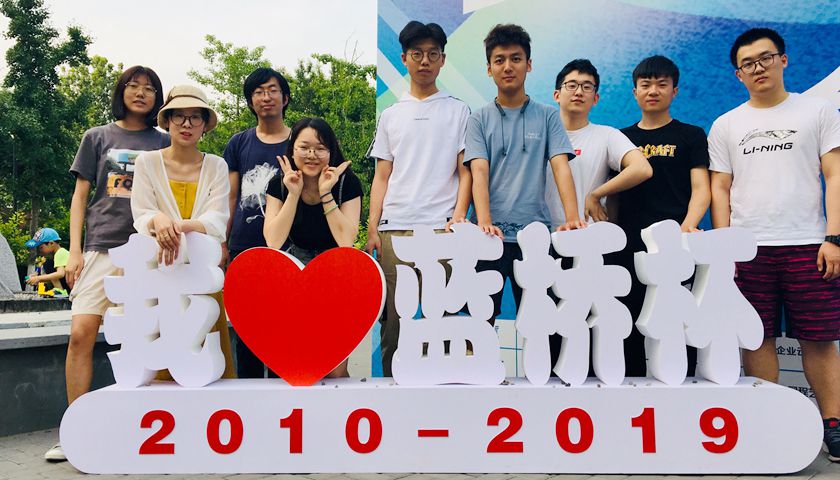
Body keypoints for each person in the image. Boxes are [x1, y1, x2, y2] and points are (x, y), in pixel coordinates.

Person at [708, 27, 840, 461]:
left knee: (819, 339)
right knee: (756, 337)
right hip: (749, 250)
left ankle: (833, 426)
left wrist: (834, 237)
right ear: (738, 74)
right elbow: (720, 188)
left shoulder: (818, 111)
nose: (758, 68)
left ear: (783, 60)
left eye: (765, 58)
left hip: (809, 245)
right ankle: (766, 423)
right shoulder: (726, 124)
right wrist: (726, 246)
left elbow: (835, 174)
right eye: (748, 63)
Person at [47, 66, 169, 462]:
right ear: (121, 92)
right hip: (100, 248)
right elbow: (80, 197)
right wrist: (76, 250)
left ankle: (140, 430)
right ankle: (75, 431)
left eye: (149, 88)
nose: (141, 93)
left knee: (143, 340)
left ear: (157, 98)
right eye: (133, 86)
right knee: (81, 333)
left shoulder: (165, 141)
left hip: (146, 251)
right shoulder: (97, 137)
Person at [365, 20, 471, 377]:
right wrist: (373, 227)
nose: (425, 61)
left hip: (442, 229)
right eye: (417, 54)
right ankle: (394, 390)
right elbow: (382, 176)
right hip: (395, 230)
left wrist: (458, 217)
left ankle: (444, 390)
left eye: (432, 54)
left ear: (442, 60)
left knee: (444, 318)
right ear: (404, 59)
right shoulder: (391, 115)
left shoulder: (458, 110)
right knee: (395, 321)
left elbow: (465, 171)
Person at [465, 23, 581, 327]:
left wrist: (573, 217)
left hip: (535, 238)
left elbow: (561, 166)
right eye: (499, 60)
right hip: (489, 239)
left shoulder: (548, 115)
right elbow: (479, 172)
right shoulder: (478, 118)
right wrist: (484, 221)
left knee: (541, 325)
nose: (508, 66)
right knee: (480, 322)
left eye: (516, 58)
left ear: (528, 64)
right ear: (489, 69)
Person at [130, 85, 236, 381]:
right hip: (162, 271)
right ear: (167, 121)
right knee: (162, 359)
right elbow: (141, 212)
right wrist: (158, 219)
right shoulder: (147, 162)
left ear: (204, 124)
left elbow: (218, 218)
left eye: (195, 117)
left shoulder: (216, 165)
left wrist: (182, 226)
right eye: (179, 116)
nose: (186, 124)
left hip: (201, 273)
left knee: (207, 358)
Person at [614, 55, 710, 377]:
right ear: (635, 92)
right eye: (645, 85)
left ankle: (683, 386)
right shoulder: (621, 139)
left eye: (661, 84)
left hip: (676, 245)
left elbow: (701, 188)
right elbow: (614, 195)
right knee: (631, 320)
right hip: (629, 246)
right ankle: (630, 387)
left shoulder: (691, 135)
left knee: (679, 321)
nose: (653, 91)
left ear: (674, 91)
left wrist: (687, 227)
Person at [264, 117, 362, 377]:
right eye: (304, 147)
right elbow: (273, 240)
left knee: (334, 364)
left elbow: (346, 240)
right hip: (296, 270)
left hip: (335, 270)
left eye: (320, 148)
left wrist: (326, 192)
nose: (312, 155)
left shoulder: (347, 183)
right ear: (292, 150)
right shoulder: (279, 184)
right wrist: (293, 194)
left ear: (331, 151)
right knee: (299, 357)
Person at [224, 67, 292, 379]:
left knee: (285, 329)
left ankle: (284, 395)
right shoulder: (239, 143)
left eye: (272, 90)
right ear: (251, 101)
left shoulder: (298, 141)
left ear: (285, 97)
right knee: (248, 331)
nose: (266, 97)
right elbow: (230, 196)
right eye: (258, 92)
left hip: (289, 249)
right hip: (245, 248)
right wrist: (223, 242)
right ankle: (249, 396)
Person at [24, 227, 71, 296]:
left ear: (51, 243)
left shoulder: (60, 253)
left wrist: (38, 278)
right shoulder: (55, 255)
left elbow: (60, 274)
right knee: (47, 263)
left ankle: (60, 290)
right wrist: (36, 277)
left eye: (41, 247)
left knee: (48, 264)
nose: (40, 251)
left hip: (71, 285)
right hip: (68, 284)